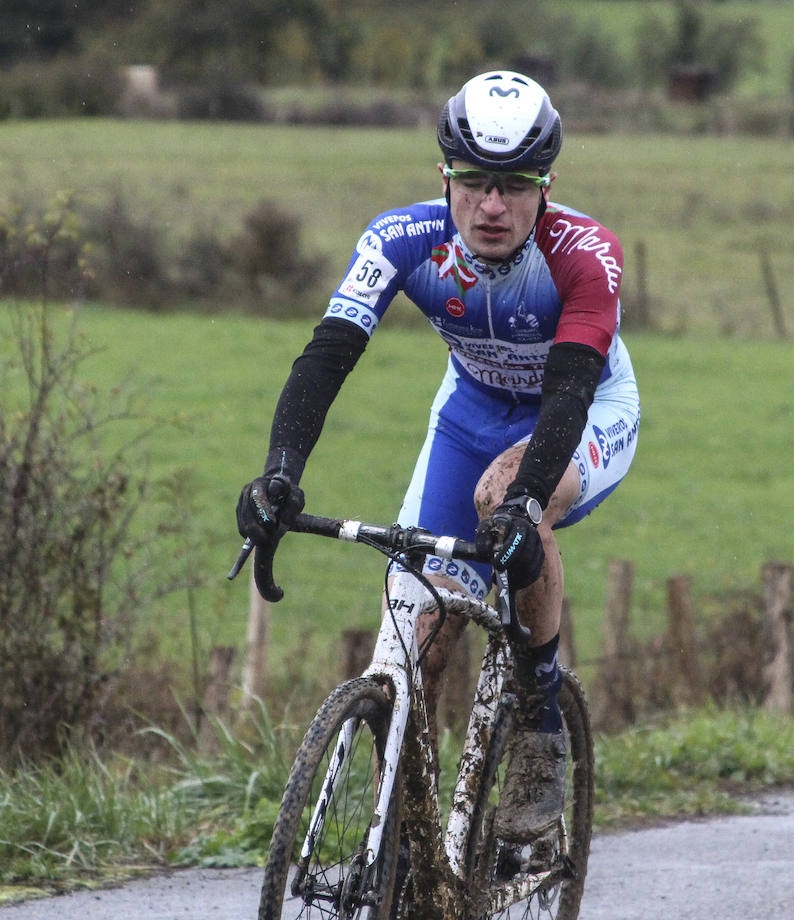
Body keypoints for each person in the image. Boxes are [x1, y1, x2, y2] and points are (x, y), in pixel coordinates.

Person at [236, 69, 639, 840]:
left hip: (582, 412)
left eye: (516, 185)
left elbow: (571, 386)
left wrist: (527, 497)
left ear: (546, 184)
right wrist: (281, 470)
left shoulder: (585, 253)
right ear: (444, 175)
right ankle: (402, 860)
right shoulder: (400, 239)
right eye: (474, 181)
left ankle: (539, 723)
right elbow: (326, 355)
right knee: (405, 641)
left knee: (506, 501)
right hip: (469, 417)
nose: (493, 205)